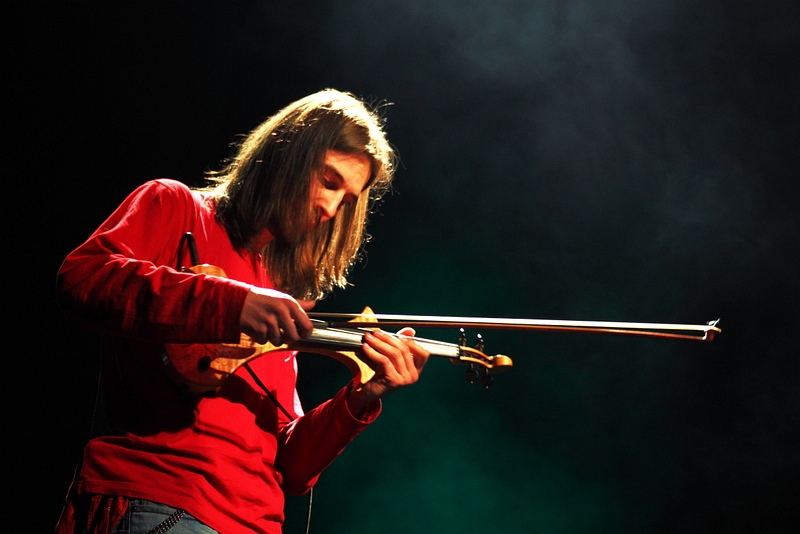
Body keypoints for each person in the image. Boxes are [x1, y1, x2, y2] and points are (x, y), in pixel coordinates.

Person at [55, 88, 430, 534]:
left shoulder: (276, 298)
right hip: (164, 503)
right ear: (288, 156)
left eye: (347, 201)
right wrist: (234, 302)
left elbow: (290, 467)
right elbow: (83, 277)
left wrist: (362, 396)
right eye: (328, 182)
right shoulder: (178, 207)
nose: (331, 209)